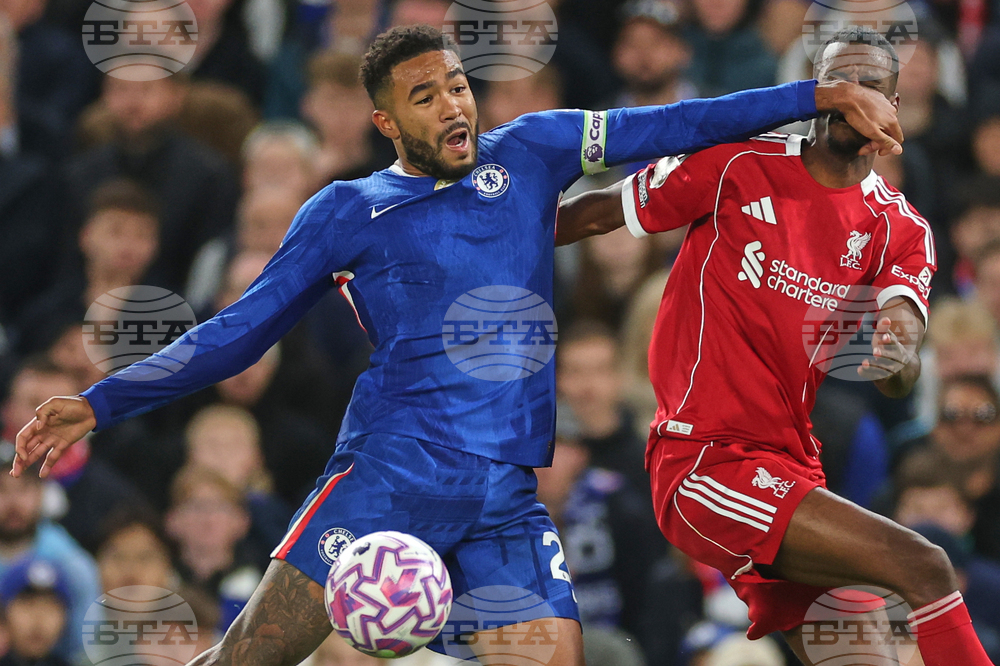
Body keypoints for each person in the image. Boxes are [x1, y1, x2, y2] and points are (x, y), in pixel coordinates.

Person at [13, 24, 902, 666]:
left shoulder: (534, 151)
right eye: (424, 96)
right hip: (393, 474)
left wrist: (816, 97)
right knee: (250, 660)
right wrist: (100, 402)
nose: (453, 106)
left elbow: (674, 125)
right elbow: (237, 334)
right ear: (387, 123)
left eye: (458, 85)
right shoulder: (346, 212)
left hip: (505, 493)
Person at [556, 24, 997, 664]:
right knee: (924, 565)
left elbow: (902, 335)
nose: (850, 97)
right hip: (704, 457)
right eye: (836, 83)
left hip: (792, 467)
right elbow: (598, 212)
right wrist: (486, 241)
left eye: (869, 85)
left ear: (893, 109)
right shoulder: (739, 162)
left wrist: (898, 354)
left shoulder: (900, 227)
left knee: (868, 656)